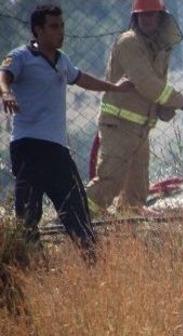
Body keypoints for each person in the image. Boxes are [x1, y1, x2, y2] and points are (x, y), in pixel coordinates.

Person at [1, 4, 134, 257]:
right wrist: (6, 93)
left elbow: (81, 78)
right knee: (27, 215)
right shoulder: (21, 57)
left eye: (61, 26)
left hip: (56, 149)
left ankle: (93, 264)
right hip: (29, 146)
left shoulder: (62, 60)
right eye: (54, 27)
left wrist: (114, 87)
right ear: (38, 30)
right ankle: (29, 265)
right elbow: (4, 75)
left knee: (77, 210)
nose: (60, 31)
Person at [85, 0, 183, 215]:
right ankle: (75, 219)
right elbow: (146, 82)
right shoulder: (129, 42)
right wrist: (182, 101)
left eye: (152, 14)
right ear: (135, 17)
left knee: (137, 189)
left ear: (161, 18)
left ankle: (128, 226)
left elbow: (157, 88)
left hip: (140, 128)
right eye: (143, 15)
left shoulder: (159, 47)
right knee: (110, 181)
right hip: (119, 125)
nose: (147, 19)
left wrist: (172, 106)